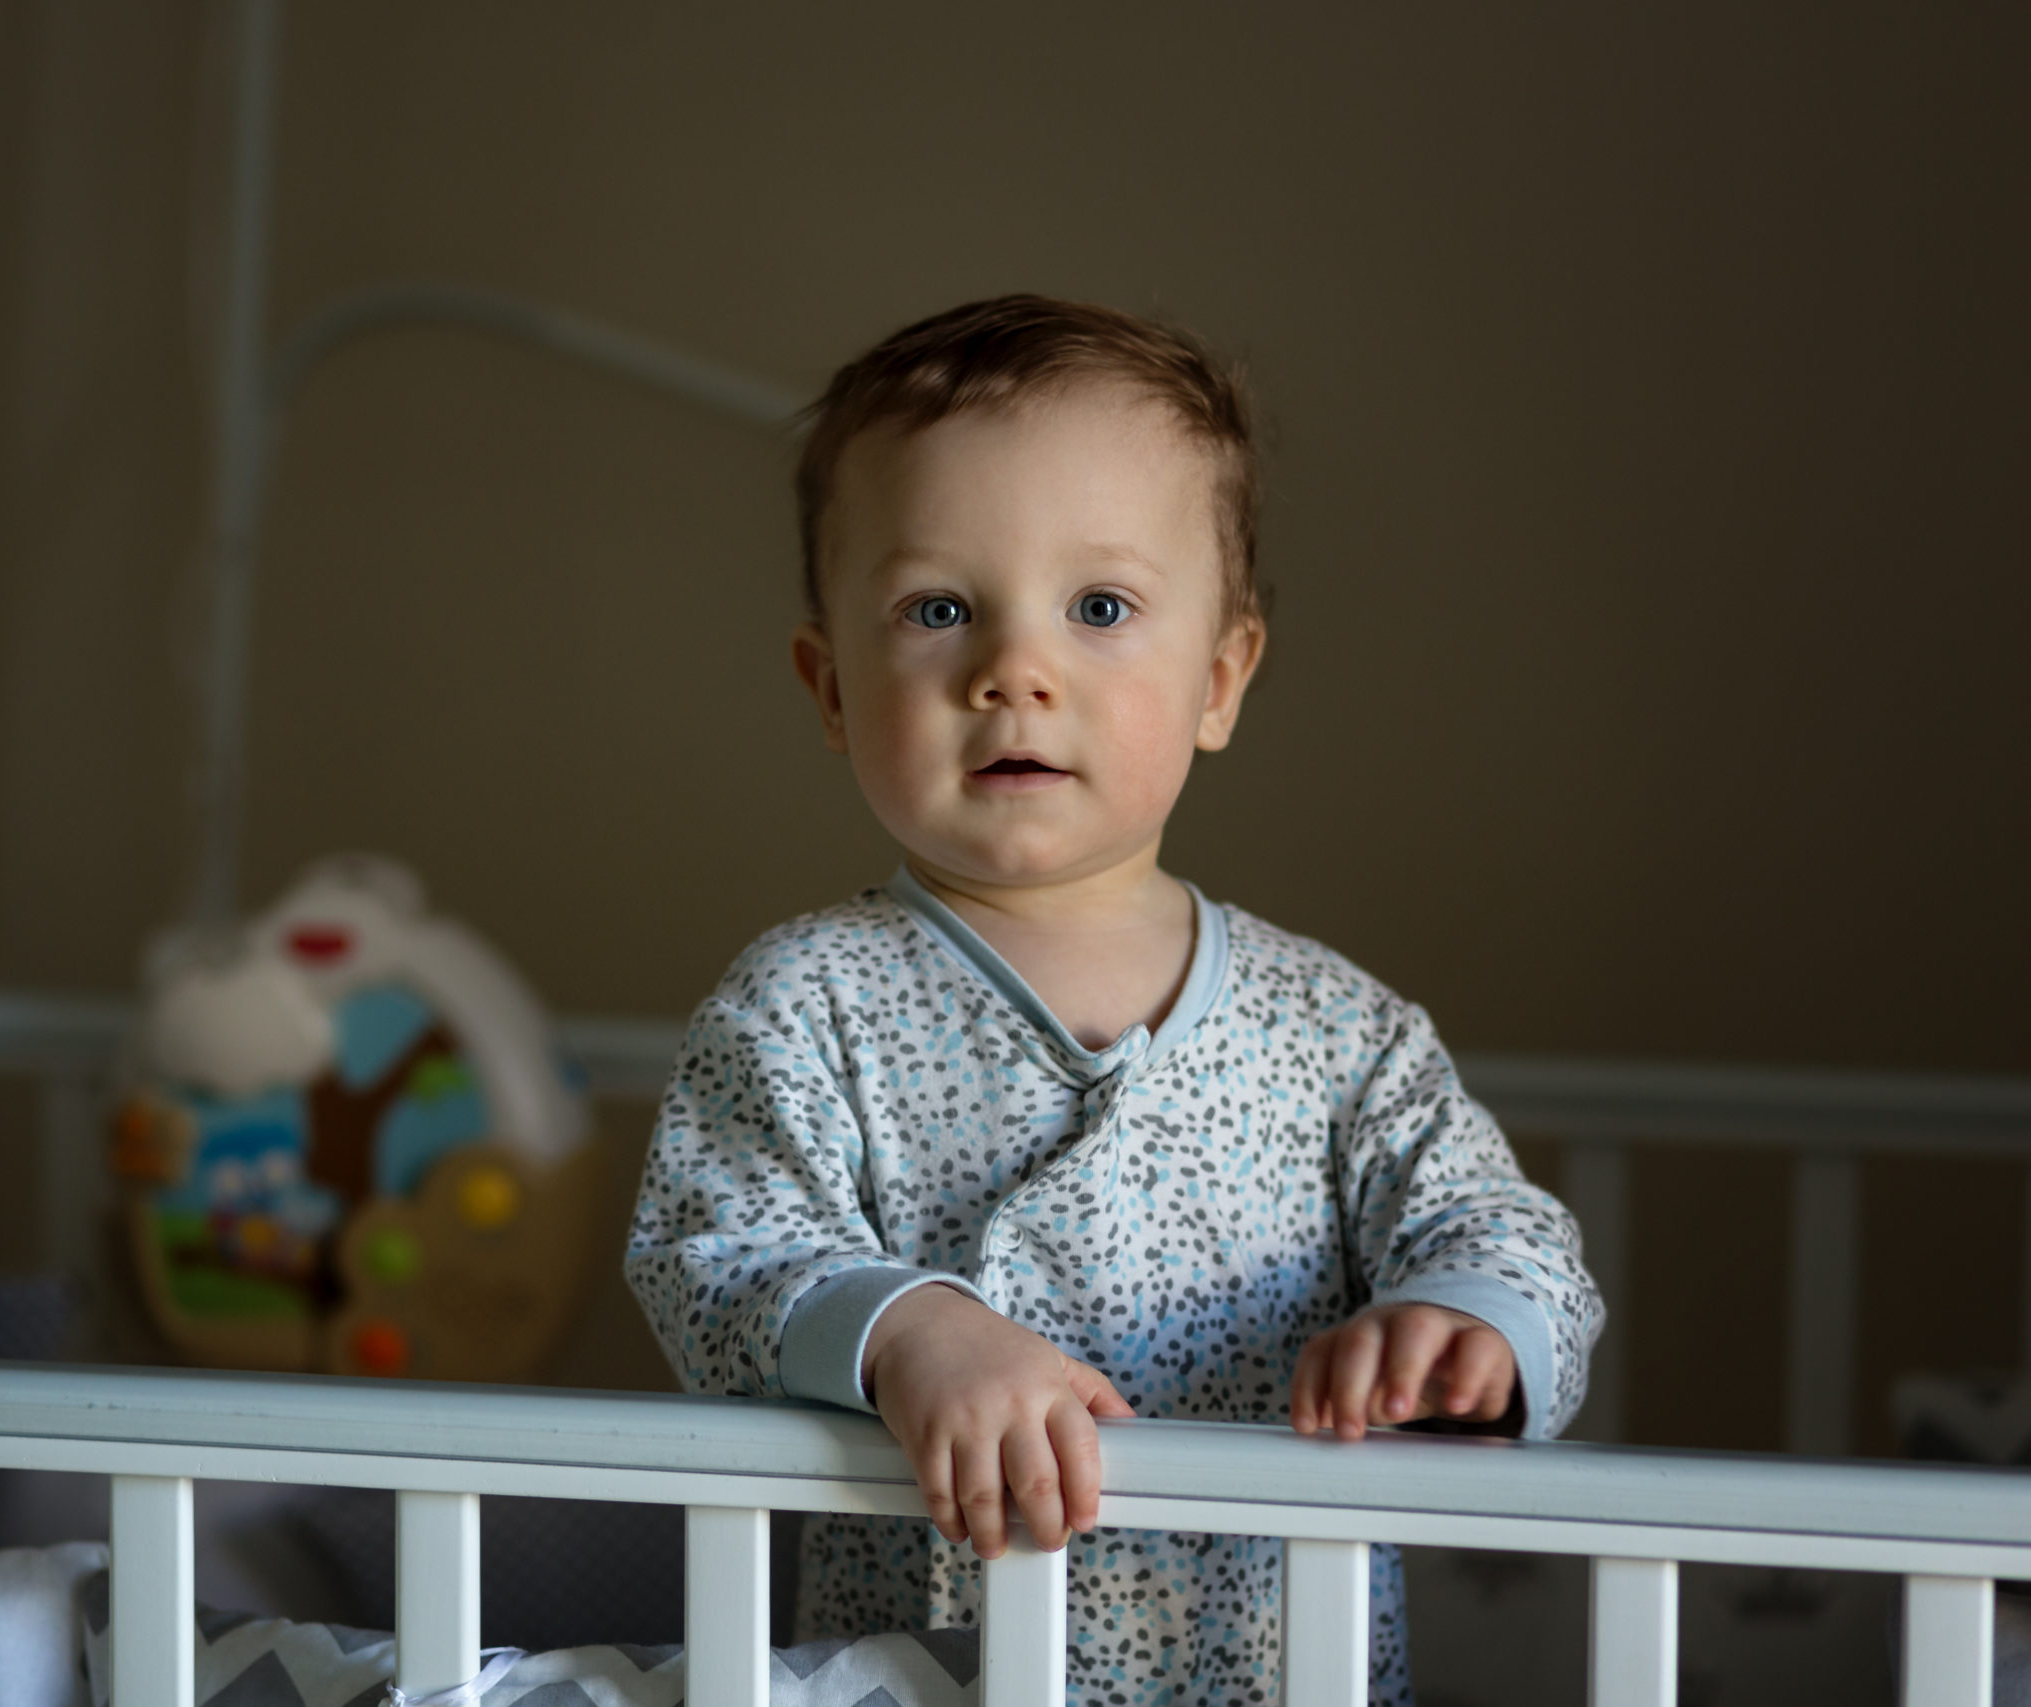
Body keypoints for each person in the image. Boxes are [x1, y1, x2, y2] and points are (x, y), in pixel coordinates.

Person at [625, 294, 1601, 1704]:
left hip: (1275, 1670)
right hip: (934, 1669)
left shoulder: (1337, 1029)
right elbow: (712, 1253)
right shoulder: (803, 1002)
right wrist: (914, 1331)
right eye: (938, 610)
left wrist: (1469, 1323)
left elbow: (1499, 1228)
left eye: (1100, 609)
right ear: (831, 688)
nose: (1013, 671)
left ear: (1219, 678)